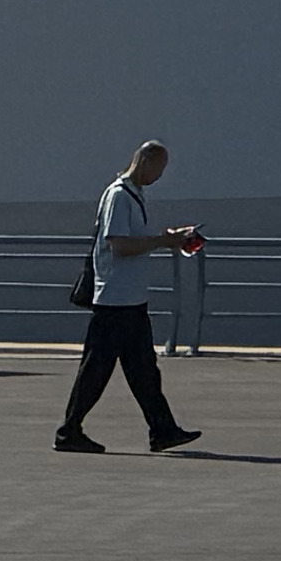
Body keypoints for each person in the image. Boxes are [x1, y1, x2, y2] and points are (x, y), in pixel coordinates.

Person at [57, 140, 206, 452]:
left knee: (143, 370)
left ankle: (162, 430)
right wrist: (163, 242)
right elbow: (120, 245)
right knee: (97, 370)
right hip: (114, 300)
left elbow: (133, 241)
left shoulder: (134, 196)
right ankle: (69, 430)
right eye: (159, 169)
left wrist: (169, 240)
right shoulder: (119, 197)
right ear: (146, 163)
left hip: (130, 300)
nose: (159, 176)